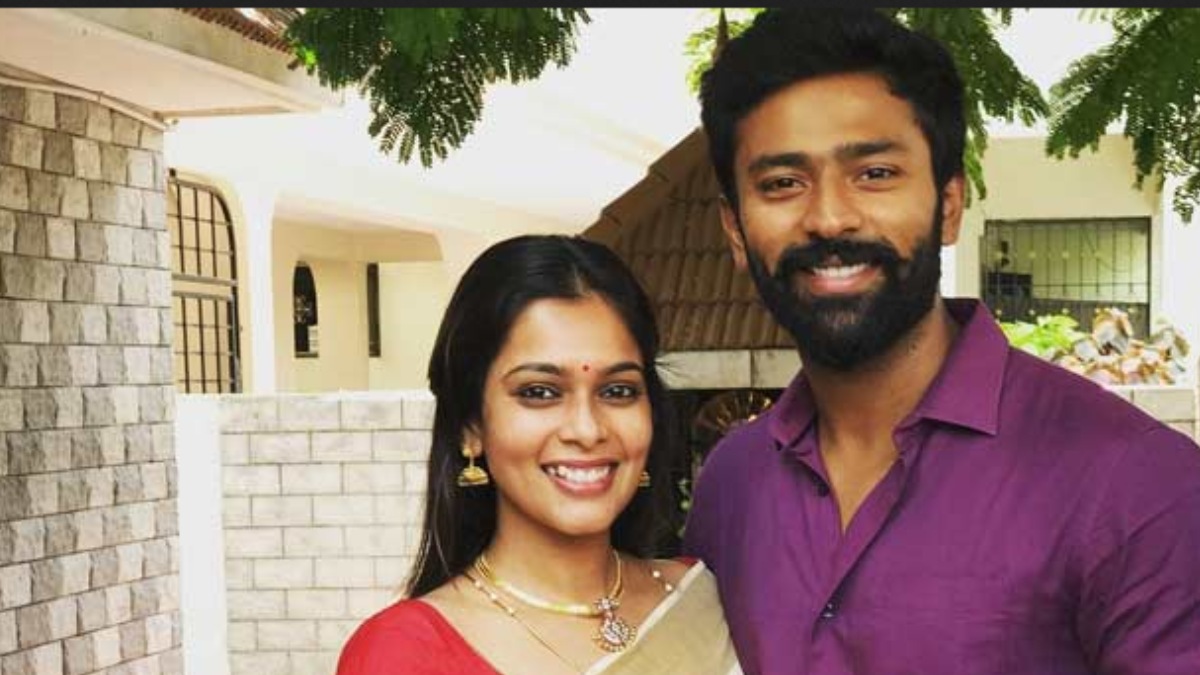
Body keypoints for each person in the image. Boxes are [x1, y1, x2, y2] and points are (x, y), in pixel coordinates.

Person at [682, 7, 1200, 675]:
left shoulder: (1135, 482)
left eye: (875, 173)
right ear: (734, 230)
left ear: (949, 204)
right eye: (783, 183)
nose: (830, 217)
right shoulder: (731, 486)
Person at [337, 234, 741, 674]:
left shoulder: (708, 600)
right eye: (540, 392)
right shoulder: (402, 654)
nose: (587, 430)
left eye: (618, 391)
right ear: (471, 426)